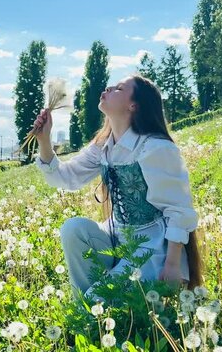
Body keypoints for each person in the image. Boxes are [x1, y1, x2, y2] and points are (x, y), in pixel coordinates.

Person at [33, 74, 203, 300]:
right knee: (73, 229)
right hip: (116, 237)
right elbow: (66, 178)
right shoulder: (103, 146)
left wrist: (172, 264)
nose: (109, 87)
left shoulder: (155, 147)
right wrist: (44, 141)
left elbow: (179, 209)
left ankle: (94, 304)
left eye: (119, 89)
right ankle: (83, 302)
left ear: (134, 105)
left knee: (98, 301)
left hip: (151, 247)